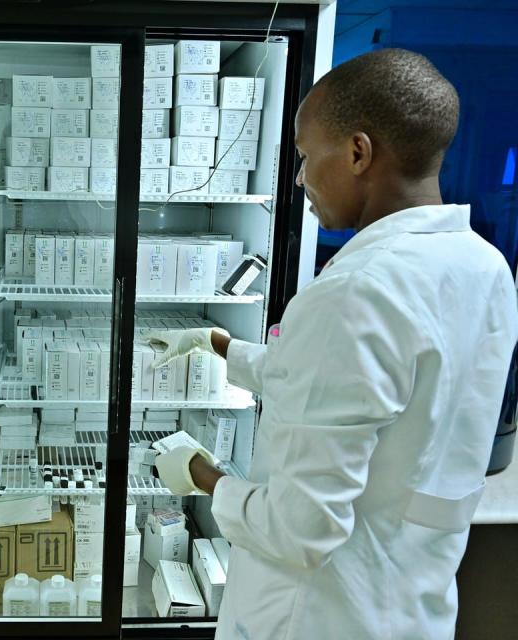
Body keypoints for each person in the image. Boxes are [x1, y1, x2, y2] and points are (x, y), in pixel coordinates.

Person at [148, 48, 518, 640]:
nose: (299, 179)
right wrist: (219, 344)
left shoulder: (355, 291)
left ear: (357, 153)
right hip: (411, 601)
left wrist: (200, 473)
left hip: (319, 613)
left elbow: (300, 529)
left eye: (303, 156)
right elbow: (369, 392)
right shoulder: (486, 268)